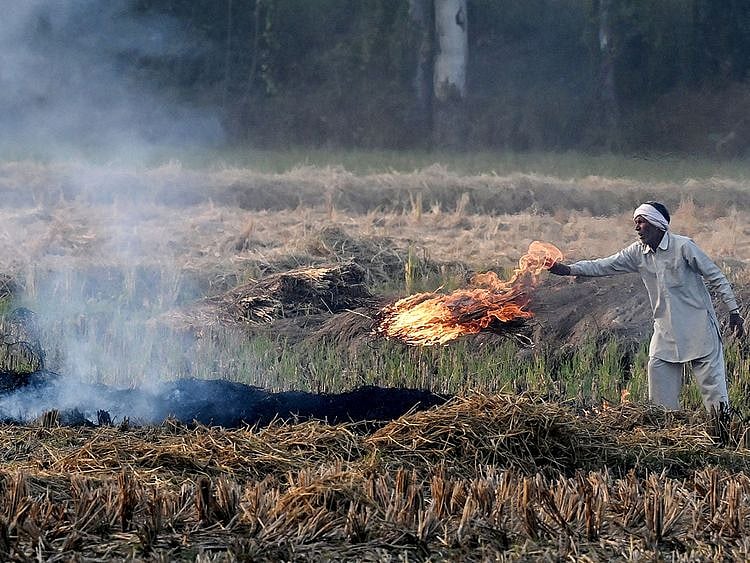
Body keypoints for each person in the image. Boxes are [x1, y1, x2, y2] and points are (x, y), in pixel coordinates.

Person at [548, 201, 744, 413]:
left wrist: (734, 311)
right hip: (666, 332)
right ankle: (666, 436)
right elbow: (604, 264)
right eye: (636, 223)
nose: (637, 228)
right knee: (658, 389)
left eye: (641, 222)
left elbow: (716, 276)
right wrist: (568, 269)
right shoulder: (637, 253)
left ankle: (722, 436)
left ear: (656, 224)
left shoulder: (683, 247)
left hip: (699, 329)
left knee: (715, 397)